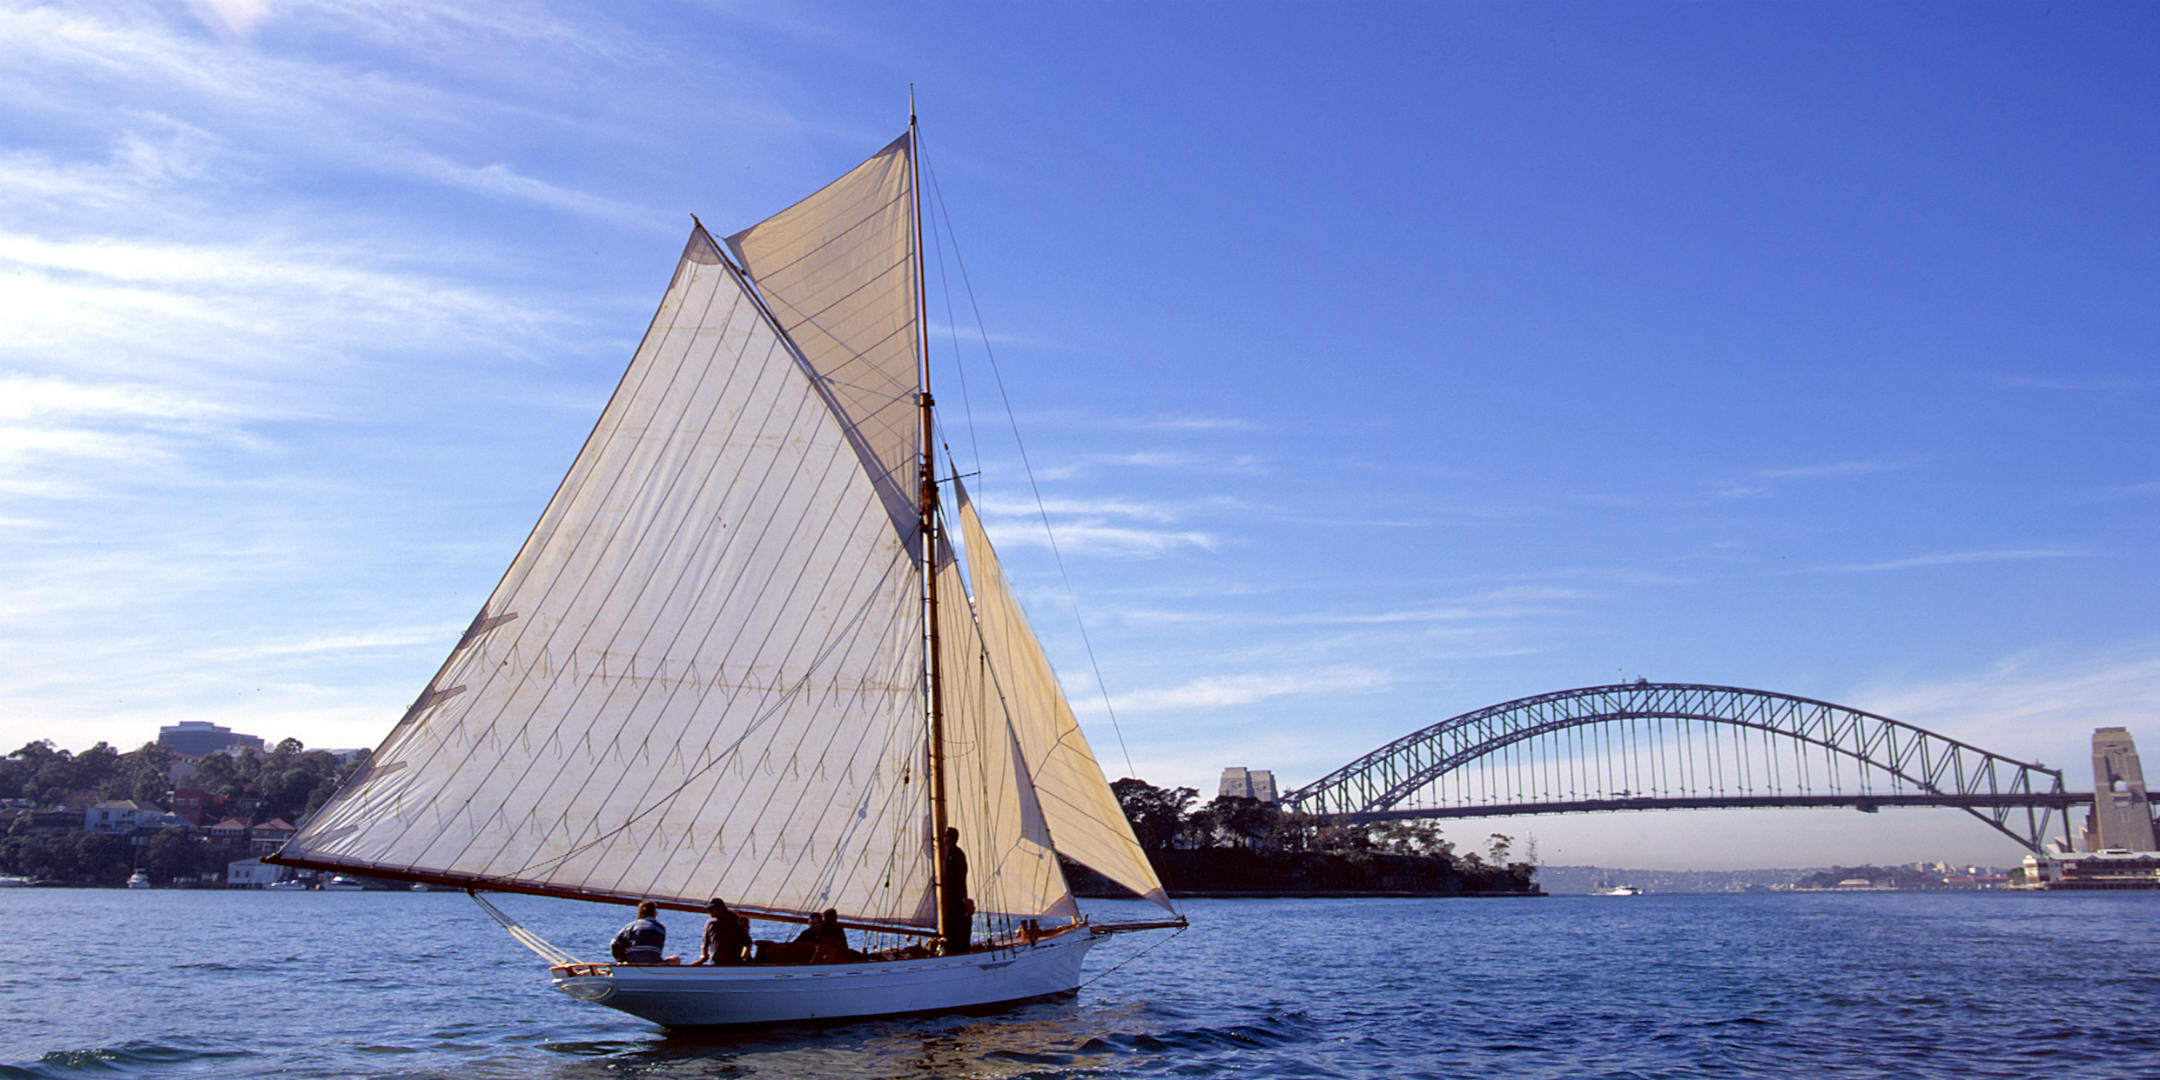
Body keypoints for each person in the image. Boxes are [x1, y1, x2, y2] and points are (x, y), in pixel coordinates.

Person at [940, 826, 970, 955]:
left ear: (950, 839)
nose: (943, 839)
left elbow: (958, 877)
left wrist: (961, 897)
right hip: (952, 898)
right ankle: (953, 948)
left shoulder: (955, 854)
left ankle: (956, 950)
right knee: (953, 925)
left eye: (946, 836)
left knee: (956, 924)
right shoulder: (952, 854)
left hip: (955, 899)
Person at [697, 897, 750, 965]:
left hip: (717, 963)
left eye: (710, 909)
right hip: (735, 963)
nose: (709, 912)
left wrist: (704, 957)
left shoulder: (711, 923)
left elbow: (704, 945)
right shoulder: (736, 921)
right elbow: (748, 944)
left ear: (720, 909)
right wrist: (743, 958)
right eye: (708, 910)